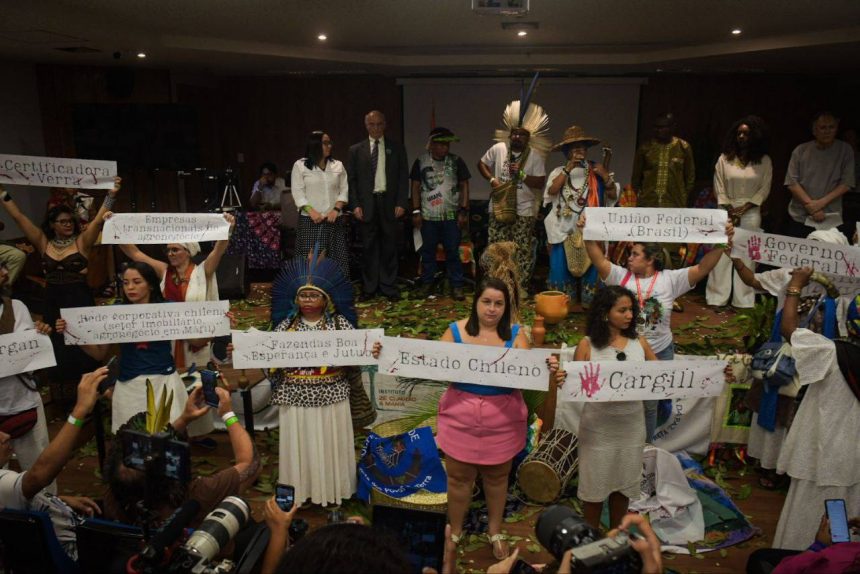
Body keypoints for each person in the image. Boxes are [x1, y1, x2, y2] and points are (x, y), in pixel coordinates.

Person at [373, 277, 564, 561]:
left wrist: (548, 366)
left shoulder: (516, 335)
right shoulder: (455, 331)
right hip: (459, 418)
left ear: (506, 307)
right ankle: (455, 531)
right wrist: (386, 353)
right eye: (486, 301)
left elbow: (529, 371)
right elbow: (426, 361)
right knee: (459, 479)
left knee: (497, 479)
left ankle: (495, 530)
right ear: (476, 302)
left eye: (499, 303)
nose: (492, 309)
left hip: (503, 421)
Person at [581, 214, 733, 442]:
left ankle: (645, 447)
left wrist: (721, 241)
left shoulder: (670, 279)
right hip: (627, 351)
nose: (629, 258)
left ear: (650, 259)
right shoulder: (620, 276)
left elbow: (703, 268)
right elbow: (598, 259)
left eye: (635, 254)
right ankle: (621, 443)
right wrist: (587, 231)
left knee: (650, 405)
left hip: (660, 351)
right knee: (624, 401)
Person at [0, 177, 121, 405]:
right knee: (57, 348)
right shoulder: (43, 243)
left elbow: (97, 220)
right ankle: (65, 404)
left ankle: (93, 398)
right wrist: (2, 193)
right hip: (53, 303)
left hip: (79, 301)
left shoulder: (82, 242)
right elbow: (19, 217)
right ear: (52, 224)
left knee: (84, 349)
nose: (68, 225)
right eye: (62, 221)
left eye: (70, 221)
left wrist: (111, 195)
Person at [772, 274, 860, 550]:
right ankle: (837, 560)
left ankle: (802, 559)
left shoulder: (831, 352)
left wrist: (795, 285)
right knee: (845, 514)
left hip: (822, 452)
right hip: (854, 461)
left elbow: (789, 330)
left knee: (809, 513)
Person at [268, 253, 361, 506]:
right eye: (303, 295)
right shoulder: (286, 325)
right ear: (295, 299)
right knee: (301, 445)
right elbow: (268, 358)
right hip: (295, 395)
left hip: (332, 394)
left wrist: (370, 350)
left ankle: (333, 490)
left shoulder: (340, 324)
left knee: (329, 444)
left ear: (325, 299)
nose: (307, 301)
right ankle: (301, 491)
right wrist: (244, 350)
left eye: (313, 295)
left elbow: (356, 355)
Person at [561, 285, 657, 528]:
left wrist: (718, 374)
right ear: (605, 313)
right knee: (594, 490)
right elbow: (574, 383)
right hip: (598, 429)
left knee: (624, 487)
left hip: (631, 428)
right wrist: (561, 378)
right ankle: (590, 539)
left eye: (631, 310)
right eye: (622, 310)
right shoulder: (587, 345)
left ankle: (617, 537)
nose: (629, 315)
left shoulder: (640, 343)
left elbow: (666, 377)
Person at [101, 385, 260, 527]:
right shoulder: (200, 493)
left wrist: (185, 419)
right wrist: (228, 414)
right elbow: (250, 463)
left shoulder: (114, 496)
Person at [56, 262, 189, 431]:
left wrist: (214, 325)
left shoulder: (168, 309)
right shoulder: (115, 313)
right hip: (129, 386)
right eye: (126, 283)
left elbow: (197, 341)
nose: (130, 287)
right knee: (131, 438)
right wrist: (74, 334)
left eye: (137, 282)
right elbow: (98, 354)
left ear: (150, 285)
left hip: (164, 381)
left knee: (169, 437)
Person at [0, 368, 108, 561]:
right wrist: (79, 411)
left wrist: (58, 500)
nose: (6, 436)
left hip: (62, 522)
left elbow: (26, 492)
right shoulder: (3, 483)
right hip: (67, 552)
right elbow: (38, 476)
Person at [114, 212, 235, 369]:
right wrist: (114, 228)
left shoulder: (202, 271)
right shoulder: (164, 271)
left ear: (188, 251)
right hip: (169, 340)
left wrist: (228, 229)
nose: (170, 253)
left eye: (175, 249)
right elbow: (135, 253)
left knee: (197, 376)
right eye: (168, 250)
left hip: (197, 340)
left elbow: (218, 250)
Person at [477, 100, 549, 294]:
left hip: (524, 209)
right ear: (510, 135)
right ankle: (496, 285)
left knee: (521, 249)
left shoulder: (534, 156)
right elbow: (481, 164)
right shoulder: (499, 148)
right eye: (514, 133)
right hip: (499, 207)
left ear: (528, 138)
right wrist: (492, 179)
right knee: (497, 247)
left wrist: (522, 175)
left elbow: (540, 182)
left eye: (522, 134)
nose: (517, 137)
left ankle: (519, 288)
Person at [543, 125, 618, 308]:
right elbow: (552, 191)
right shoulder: (558, 171)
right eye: (575, 148)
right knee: (559, 268)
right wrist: (567, 170)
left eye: (583, 148)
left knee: (594, 267)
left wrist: (605, 176)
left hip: (591, 229)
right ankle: (561, 304)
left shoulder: (596, 170)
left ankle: (590, 304)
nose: (580, 151)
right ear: (567, 152)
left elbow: (612, 195)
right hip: (563, 229)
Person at [706, 115, 772, 309]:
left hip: (751, 211)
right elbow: (718, 185)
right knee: (721, 253)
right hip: (725, 209)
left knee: (747, 255)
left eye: (746, 134)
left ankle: (743, 300)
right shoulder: (724, 159)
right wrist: (729, 208)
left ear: (755, 136)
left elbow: (764, 188)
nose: (742, 137)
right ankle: (717, 297)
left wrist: (746, 207)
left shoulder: (764, 161)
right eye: (739, 133)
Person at [347, 110, 409, 302]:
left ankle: (388, 286)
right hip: (366, 205)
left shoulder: (396, 148)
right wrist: (355, 205)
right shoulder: (355, 150)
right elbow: (352, 180)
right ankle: (369, 287)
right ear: (366, 126)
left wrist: (401, 202)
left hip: (389, 203)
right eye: (372, 124)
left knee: (389, 246)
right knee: (369, 247)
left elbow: (403, 177)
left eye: (379, 124)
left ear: (385, 125)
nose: (376, 128)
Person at [0, 262, 55, 476]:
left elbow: (29, 353)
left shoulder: (16, 307)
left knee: (40, 472)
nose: (5, 273)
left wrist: (40, 336)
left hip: (23, 400)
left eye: (4, 268)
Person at [410, 126, 471, 300]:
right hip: (428, 217)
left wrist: (463, 210)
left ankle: (456, 286)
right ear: (432, 144)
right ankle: (427, 284)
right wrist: (415, 210)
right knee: (428, 253)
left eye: (447, 145)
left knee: (452, 252)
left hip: (451, 216)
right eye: (441, 144)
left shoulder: (456, 161)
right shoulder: (421, 161)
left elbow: (464, 185)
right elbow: (415, 186)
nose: (445, 148)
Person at [784, 112, 855, 238]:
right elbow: (791, 182)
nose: (827, 131)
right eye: (823, 127)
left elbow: (846, 184)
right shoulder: (800, 150)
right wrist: (810, 206)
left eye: (831, 127)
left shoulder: (845, 150)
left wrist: (819, 205)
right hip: (800, 216)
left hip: (830, 217)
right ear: (814, 130)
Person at [291, 130, 350, 276]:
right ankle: (310, 289)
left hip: (333, 220)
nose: (329, 146)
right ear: (315, 145)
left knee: (336, 260)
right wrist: (311, 211)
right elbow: (298, 193)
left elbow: (344, 190)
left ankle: (335, 288)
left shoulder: (338, 165)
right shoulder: (300, 165)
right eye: (325, 143)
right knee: (310, 261)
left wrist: (336, 210)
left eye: (330, 143)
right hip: (310, 221)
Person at [747, 514, 860, 574]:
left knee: (758, 559)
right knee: (763, 555)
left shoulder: (842, 563)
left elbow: (787, 569)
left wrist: (818, 546)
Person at [631, 112, 695, 210]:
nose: (658, 130)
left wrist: (684, 196)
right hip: (648, 203)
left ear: (672, 127)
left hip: (676, 203)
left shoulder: (683, 147)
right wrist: (641, 196)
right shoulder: (645, 148)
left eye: (662, 127)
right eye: (656, 127)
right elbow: (636, 177)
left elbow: (690, 176)